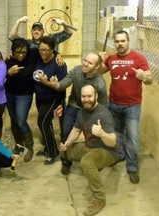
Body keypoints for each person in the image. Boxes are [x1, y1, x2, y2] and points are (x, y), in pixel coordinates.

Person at [59, 84, 124, 216]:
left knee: (87, 162)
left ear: (96, 96)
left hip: (108, 151)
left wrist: (102, 134)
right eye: (84, 96)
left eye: (89, 96)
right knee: (64, 150)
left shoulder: (103, 115)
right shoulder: (82, 112)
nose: (86, 99)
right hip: (90, 147)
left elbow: (113, 141)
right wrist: (67, 143)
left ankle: (99, 199)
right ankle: (95, 165)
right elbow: (76, 130)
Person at [99, 30, 153, 184]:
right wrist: (99, 61)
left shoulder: (139, 58)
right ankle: (119, 155)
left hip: (132, 106)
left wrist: (143, 77)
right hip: (114, 104)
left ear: (128, 41)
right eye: (117, 41)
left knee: (133, 138)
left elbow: (150, 79)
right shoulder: (112, 58)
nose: (119, 44)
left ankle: (133, 167)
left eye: (122, 41)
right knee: (117, 134)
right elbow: (99, 72)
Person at [50, 52, 109, 174]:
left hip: (91, 110)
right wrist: (56, 84)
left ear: (97, 67)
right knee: (66, 132)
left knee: (94, 136)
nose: (85, 64)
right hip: (74, 105)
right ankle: (66, 160)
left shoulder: (100, 83)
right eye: (85, 60)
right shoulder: (77, 71)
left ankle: (95, 160)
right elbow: (63, 84)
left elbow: (104, 106)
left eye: (89, 62)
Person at [34, 36, 67, 165]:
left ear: (53, 50)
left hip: (54, 98)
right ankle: (48, 147)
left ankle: (53, 153)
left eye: (46, 50)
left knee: (42, 122)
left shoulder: (59, 64)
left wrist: (45, 82)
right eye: (41, 49)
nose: (43, 52)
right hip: (40, 97)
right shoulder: (38, 57)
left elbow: (61, 85)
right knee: (47, 124)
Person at [5, 38, 39, 162]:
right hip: (9, 93)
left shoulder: (33, 54)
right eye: (17, 52)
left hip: (25, 94)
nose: (20, 55)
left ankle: (30, 147)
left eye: (23, 52)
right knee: (14, 121)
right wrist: (9, 73)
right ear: (12, 51)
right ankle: (19, 145)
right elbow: (2, 77)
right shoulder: (9, 60)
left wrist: (58, 56)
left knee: (20, 120)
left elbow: (48, 49)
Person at [8, 16, 73, 52]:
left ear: (43, 32)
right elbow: (11, 36)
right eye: (34, 30)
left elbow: (69, 32)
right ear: (31, 31)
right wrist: (18, 21)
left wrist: (63, 23)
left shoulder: (52, 39)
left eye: (39, 30)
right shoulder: (27, 43)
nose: (36, 31)